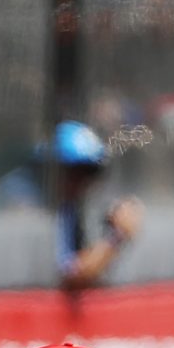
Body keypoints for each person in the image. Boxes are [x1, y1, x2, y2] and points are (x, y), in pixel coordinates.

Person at [53, 119, 143, 293]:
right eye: (76, 171)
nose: (84, 181)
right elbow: (73, 275)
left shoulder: (73, 208)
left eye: (90, 173)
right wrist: (117, 235)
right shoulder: (44, 209)